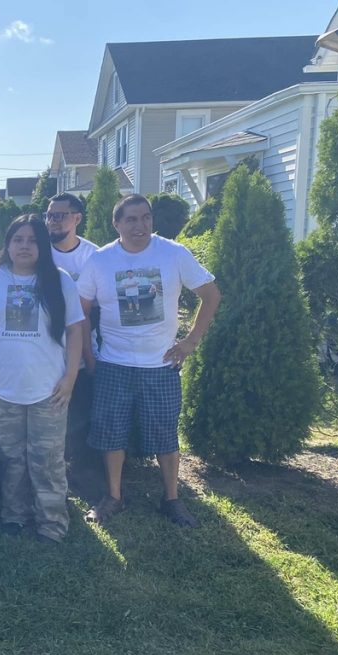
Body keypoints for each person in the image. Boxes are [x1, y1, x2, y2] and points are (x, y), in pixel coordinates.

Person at [78, 194, 221, 528]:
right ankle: (114, 497)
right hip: (113, 363)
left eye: (145, 218)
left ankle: (171, 500)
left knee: (165, 437)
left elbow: (211, 294)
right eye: (131, 219)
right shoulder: (100, 261)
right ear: (117, 224)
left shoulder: (173, 253)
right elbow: (81, 310)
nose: (139, 226)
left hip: (161, 365)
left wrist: (190, 342)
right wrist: (89, 354)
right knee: (111, 435)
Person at [0, 214, 85, 542]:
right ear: (7, 244)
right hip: (2, 390)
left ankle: (51, 523)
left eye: (33, 240)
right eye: (18, 239)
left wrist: (71, 376)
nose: (24, 246)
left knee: (46, 460)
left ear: (43, 245)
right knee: (12, 458)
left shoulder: (60, 281)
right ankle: (14, 515)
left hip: (50, 390)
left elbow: (76, 330)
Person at [45, 193, 102, 492]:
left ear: (77, 218)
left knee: (81, 414)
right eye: (50, 215)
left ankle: (80, 474)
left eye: (60, 215)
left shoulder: (94, 256)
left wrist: (90, 356)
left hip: (82, 353)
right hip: (45, 353)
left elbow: (95, 313)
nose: (53, 221)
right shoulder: (39, 252)